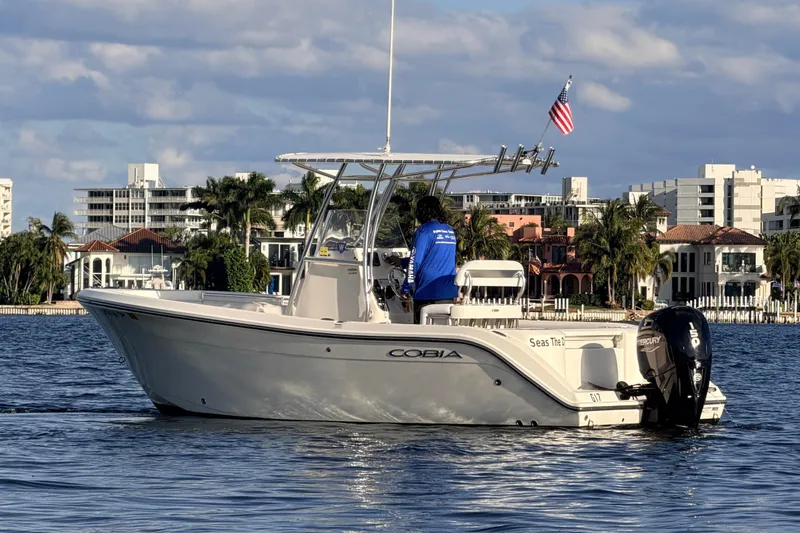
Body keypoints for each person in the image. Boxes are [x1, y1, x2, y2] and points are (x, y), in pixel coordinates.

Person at [388, 196, 457, 324]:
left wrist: (405, 288)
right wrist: (401, 262)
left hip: (427, 294)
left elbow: (416, 262)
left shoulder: (423, 231)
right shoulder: (449, 231)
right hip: (448, 293)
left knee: (424, 335)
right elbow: (433, 257)